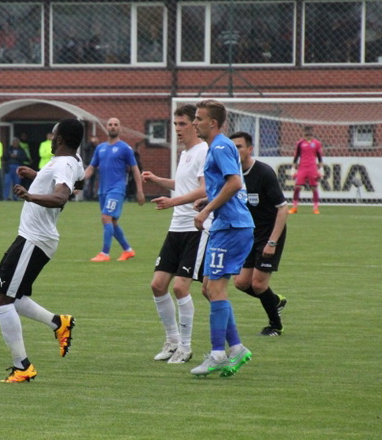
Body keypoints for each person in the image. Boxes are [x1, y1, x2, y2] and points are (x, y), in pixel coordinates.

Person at [0, 118, 85, 382]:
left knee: (2, 299)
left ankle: (23, 367)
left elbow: (61, 196)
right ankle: (59, 323)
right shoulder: (72, 161)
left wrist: (31, 195)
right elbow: (77, 182)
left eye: (54, 135)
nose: (50, 138)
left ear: (62, 139)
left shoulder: (65, 163)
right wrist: (37, 176)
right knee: (2, 292)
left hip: (35, 239)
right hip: (30, 237)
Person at [141, 104, 211, 364]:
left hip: (195, 228)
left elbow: (204, 190)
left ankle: (186, 346)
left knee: (181, 288)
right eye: (175, 124)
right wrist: (159, 180)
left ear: (195, 124)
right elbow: (184, 185)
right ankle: (171, 340)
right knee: (157, 285)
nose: (178, 129)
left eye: (182, 124)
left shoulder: (204, 151)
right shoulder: (185, 153)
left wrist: (173, 202)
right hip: (176, 227)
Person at [189, 99, 254, 378]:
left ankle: (218, 354)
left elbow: (236, 183)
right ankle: (236, 348)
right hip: (226, 225)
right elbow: (232, 185)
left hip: (231, 227)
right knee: (208, 288)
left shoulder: (219, 145)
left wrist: (206, 209)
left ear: (212, 123)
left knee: (215, 290)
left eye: (199, 119)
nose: (195, 123)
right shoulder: (219, 146)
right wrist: (208, 199)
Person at [230, 132, 289, 336]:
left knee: (258, 283)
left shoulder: (264, 172)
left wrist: (272, 242)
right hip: (249, 235)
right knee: (241, 283)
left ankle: (276, 325)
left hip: (270, 234)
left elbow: (283, 208)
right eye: (233, 147)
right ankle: (275, 301)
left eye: (239, 146)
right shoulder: (232, 174)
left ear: (249, 149)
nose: (236, 150)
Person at [84, 117, 145, 262]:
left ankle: (105, 253)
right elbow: (92, 167)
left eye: (115, 125)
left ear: (120, 128)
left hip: (117, 189)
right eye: (110, 125)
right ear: (106, 128)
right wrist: (79, 183)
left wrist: (139, 190)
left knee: (106, 217)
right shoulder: (100, 148)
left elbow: (135, 170)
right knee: (112, 221)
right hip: (103, 190)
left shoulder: (125, 148)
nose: (112, 127)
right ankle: (128, 250)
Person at [289, 125, 324, 215]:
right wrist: (293, 168)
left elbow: (319, 156)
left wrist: (321, 168)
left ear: (312, 132)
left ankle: (315, 208)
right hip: (302, 167)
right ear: (304, 132)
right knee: (297, 187)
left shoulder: (317, 143)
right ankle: (294, 207)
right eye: (307, 132)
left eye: (310, 132)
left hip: (312, 167)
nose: (308, 134)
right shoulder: (300, 143)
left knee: (313, 187)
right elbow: (296, 156)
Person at [81, 135, 99, 200]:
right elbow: (85, 148)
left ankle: (92, 195)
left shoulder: (96, 147)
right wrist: (91, 142)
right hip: (88, 165)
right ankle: (86, 195)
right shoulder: (89, 146)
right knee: (87, 181)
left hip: (95, 166)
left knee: (93, 182)